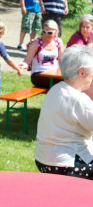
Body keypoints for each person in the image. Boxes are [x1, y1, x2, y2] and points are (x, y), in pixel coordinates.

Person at [35, 44, 93, 180]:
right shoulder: (78, 99)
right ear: (82, 72)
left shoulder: (55, 90)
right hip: (66, 163)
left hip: (44, 159)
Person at [19, 19, 64, 88]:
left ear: (56, 32)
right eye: (44, 32)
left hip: (54, 74)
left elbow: (62, 61)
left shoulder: (58, 42)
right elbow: (27, 61)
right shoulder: (36, 43)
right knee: (59, 83)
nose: (46, 34)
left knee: (69, 80)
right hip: (38, 74)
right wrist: (24, 65)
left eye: (49, 32)